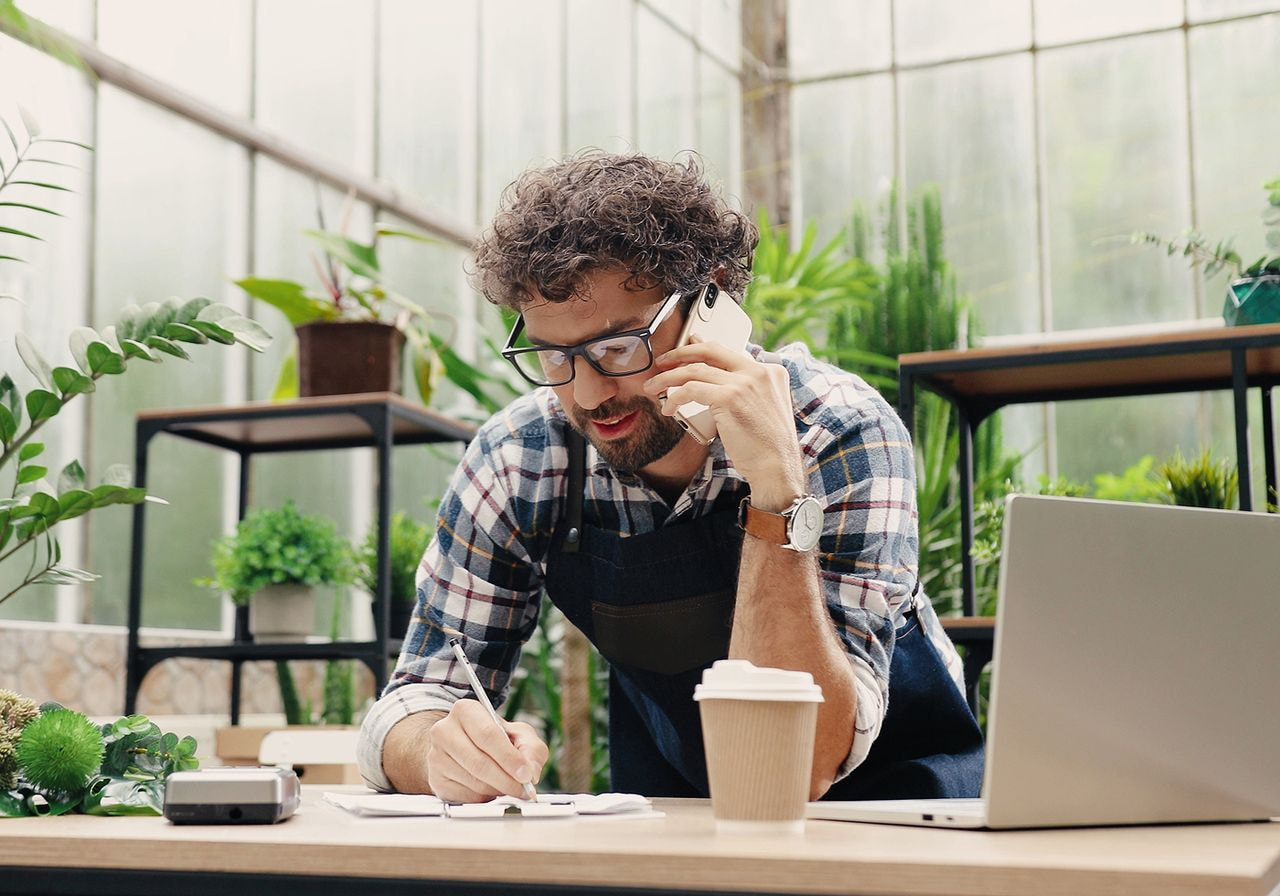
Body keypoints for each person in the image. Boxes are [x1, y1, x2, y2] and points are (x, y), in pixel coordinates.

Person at [356, 152, 984, 803]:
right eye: (553, 355)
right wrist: (440, 752)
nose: (591, 392)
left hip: (899, 817)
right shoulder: (523, 458)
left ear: (710, 298)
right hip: (681, 816)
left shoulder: (837, 430)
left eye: (620, 346)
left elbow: (799, 768)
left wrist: (778, 495)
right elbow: (417, 697)